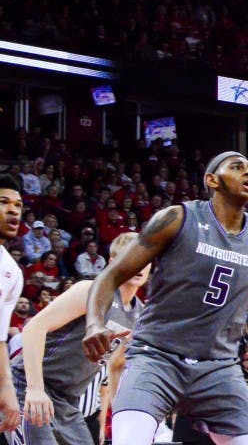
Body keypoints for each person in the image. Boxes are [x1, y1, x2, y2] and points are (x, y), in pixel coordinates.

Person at [82, 151, 248, 444]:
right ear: (212, 180)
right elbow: (110, 275)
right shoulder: (176, 218)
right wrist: (94, 324)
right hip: (157, 357)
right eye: (237, 167)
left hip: (219, 368)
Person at [10, 232, 147, 445]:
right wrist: (34, 389)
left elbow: (117, 365)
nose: (139, 264)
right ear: (113, 262)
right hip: (30, 384)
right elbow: (34, 328)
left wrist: (121, 415)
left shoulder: (139, 313)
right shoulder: (91, 290)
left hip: (68, 399)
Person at [0, 174, 25, 433]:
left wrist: (7, 387)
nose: (13, 210)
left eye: (18, 205)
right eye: (3, 202)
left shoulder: (11, 271)